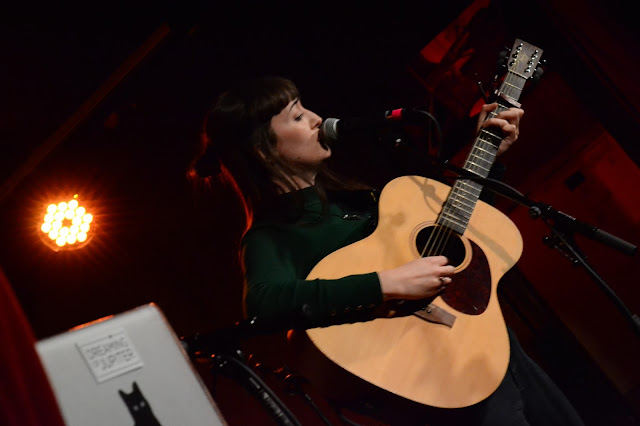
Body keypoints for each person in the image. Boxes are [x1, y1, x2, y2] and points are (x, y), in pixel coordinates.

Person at [191, 76, 584, 425]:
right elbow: (263, 304)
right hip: (440, 386)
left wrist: (488, 161)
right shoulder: (271, 236)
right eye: (296, 117)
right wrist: (386, 283)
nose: (315, 118)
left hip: (494, 350)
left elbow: (464, 243)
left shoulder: (363, 201)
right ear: (262, 151)